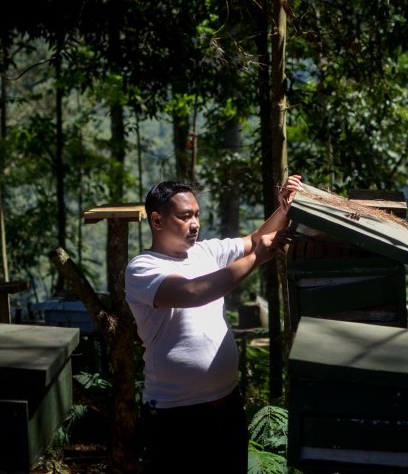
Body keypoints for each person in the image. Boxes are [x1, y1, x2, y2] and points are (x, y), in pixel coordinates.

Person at [125, 174, 303, 473]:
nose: (194, 223)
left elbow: (256, 239)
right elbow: (194, 292)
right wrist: (257, 258)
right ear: (157, 220)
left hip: (227, 405)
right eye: (184, 216)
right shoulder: (143, 268)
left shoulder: (205, 252)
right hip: (176, 415)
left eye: (196, 215)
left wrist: (284, 209)